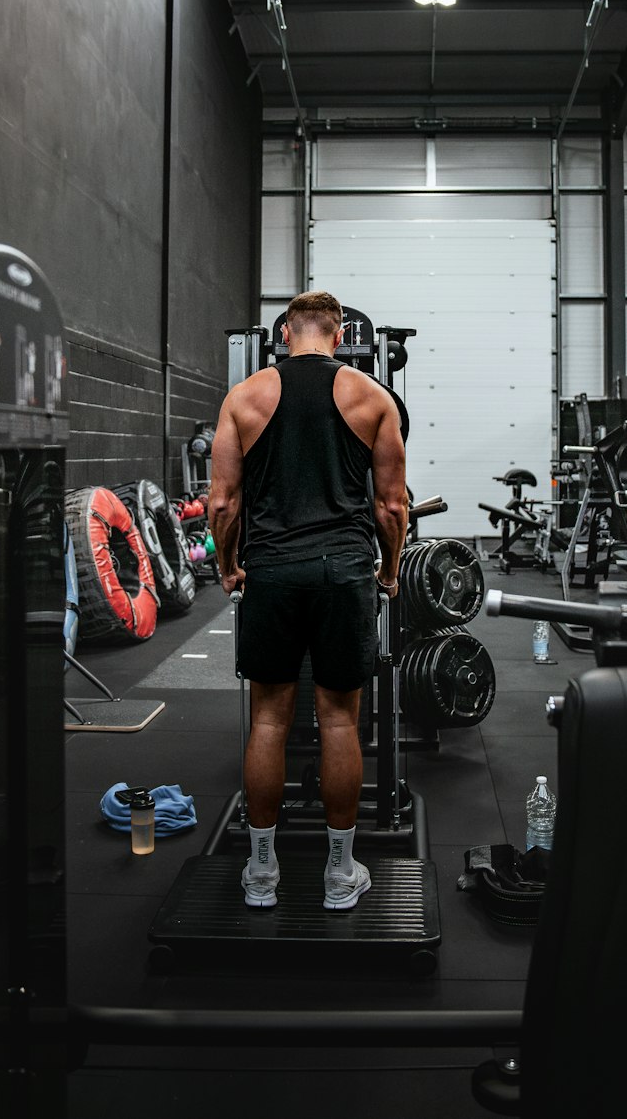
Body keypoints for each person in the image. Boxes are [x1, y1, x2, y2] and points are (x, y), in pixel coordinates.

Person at [208, 291, 409, 912]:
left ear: (284, 333)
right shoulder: (372, 397)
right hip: (343, 572)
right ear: (341, 331)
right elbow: (392, 506)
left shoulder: (244, 397)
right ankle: (340, 874)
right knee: (341, 720)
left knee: (269, 719)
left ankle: (262, 872)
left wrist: (227, 562)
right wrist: (391, 569)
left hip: (271, 571)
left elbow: (221, 504)